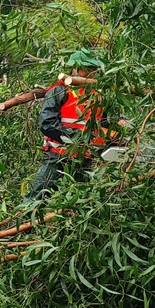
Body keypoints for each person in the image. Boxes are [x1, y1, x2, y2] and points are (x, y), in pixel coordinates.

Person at [23, 48, 120, 205]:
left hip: (84, 158)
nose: (91, 73)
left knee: (83, 202)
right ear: (75, 68)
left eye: (94, 70)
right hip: (58, 155)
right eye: (87, 69)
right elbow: (47, 124)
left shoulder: (97, 95)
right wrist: (79, 137)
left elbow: (104, 124)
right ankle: (21, 224)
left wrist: (117, 129)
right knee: (36, 200)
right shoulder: (59, 91)